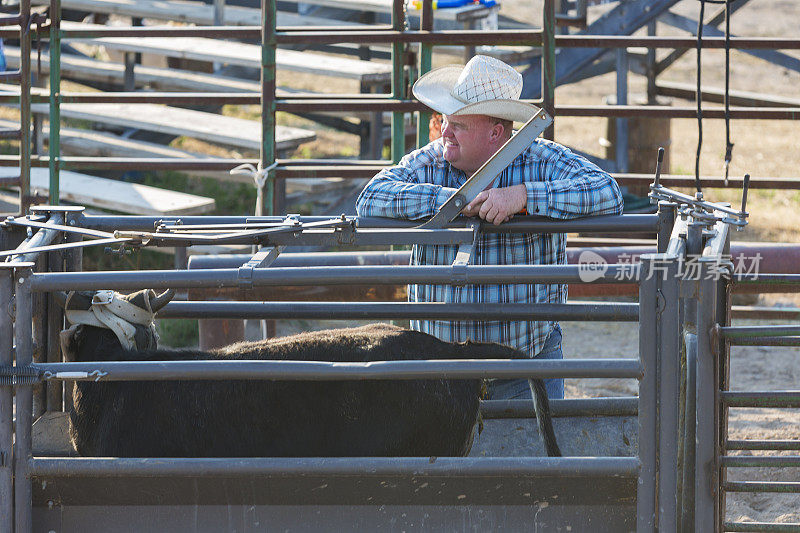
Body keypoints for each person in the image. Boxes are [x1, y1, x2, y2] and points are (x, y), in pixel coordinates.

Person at [355, 55, 623, 400]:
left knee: (532, 452)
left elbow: (607, 191)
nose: (444, 132)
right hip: (438, 371)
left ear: (497, 132)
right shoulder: (431, 160)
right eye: (446, 121)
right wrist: (452, 201)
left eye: (459, 125)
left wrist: (524, 196)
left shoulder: (541, 160)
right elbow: (370, 198)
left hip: (524, 366)